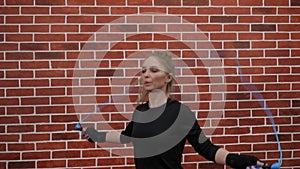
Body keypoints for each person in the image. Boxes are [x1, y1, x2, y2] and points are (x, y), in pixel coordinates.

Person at [83, 51, 265, 169]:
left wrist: (236, 160)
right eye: (144, 70)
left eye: (154, 70)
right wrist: (96, 134)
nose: (146, 74)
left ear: (168, 77)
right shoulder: (140, 112)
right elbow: (126, 136)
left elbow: (206, 148)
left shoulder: (180, 113)